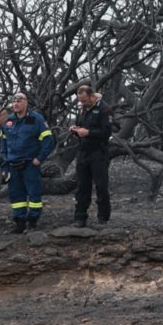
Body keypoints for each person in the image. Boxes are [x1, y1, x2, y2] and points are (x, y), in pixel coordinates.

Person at [0, 93, 55, 234]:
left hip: (30, 164)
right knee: (16, 196)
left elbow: (48, 140)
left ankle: (32, 222)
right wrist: (5, 158)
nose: (16, 103)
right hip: (12, 164)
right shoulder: (8, 121)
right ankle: (19, 223)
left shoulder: (36, 119)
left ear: (26, 103)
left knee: (33, 194)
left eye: (19, 100)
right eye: (14, 101)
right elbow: (3, 141)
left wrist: (39, 158)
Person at [69, 85, 113, 227]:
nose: (82, 104)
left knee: (101, 186)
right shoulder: (82, 109)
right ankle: (80, 217)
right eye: (80, 101)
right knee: (82, 187)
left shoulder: (104, 109)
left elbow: (107, 132)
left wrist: (88, 133)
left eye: (85, 101)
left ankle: (103, 218)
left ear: (92, 96)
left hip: (98, 153)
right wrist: (75, 129)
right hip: (83, 152)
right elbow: (80, 125)